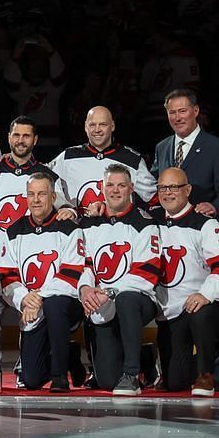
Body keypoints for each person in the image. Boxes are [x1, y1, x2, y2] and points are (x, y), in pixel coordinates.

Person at [0, 117, 75, 367]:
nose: (21, 140)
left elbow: (64, 207)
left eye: (27, 136)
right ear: (9, 138)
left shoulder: (47, 175)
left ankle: (28, 364)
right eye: (16, 135)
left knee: (32, 315)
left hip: (33, 265)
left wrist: (69, 212)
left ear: (35, 140)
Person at [155, 167, 219, 396]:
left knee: (202, 311)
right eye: (163, 187)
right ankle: (152, 362)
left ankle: (207, 374)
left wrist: (205, 294)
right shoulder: (150, 223)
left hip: (201, 308)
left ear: (188, 190)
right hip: (171, 314)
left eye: (174, 187)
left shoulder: (207, 225)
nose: (167, 193)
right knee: (175, 383)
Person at [0, 173, 85, 391]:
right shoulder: (14, 231)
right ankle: (68, 354)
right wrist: (25, 298)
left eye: (42, 194)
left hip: (65, 305)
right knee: (32, 380)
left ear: (53, 197)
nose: (36, 200)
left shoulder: (70, 229)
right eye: (31, 194)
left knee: (54, 304)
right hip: (32, 307)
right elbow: (8, 274)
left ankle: (59, 375)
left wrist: (38, 297)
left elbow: (72, 273)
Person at [79, 163, 162, 396]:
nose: (115, 190)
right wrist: (86, 288)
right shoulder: (89, 222)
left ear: (131, 188)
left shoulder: (144, 223)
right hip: (102, 302)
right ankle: (144, 356)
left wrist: (111, 291)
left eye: (121, 185)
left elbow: (146, 272)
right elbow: (84, 263)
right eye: (110, 185)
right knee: (107, 381)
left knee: (127, 300)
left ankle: (132, 374)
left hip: (138, 301)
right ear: (102, 188)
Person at [151, 89, 219, 223]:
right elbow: (153, 184)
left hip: (201, 226)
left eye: (182, 111)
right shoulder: (162, 147)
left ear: (196, 111)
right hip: (166, 228)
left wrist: (215, 207)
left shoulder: (217, 148)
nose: (177, 118)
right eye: (172, 112)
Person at [48, 105, 158, 212]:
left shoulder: (132, 159)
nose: (97, 129)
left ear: (112, 126)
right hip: (78, 228)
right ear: (86, 127)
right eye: (92, 125)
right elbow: (44, 181)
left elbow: (154, 198)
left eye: (103, 124)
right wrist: (63, 206)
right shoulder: (67, 157)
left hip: (119, 228)